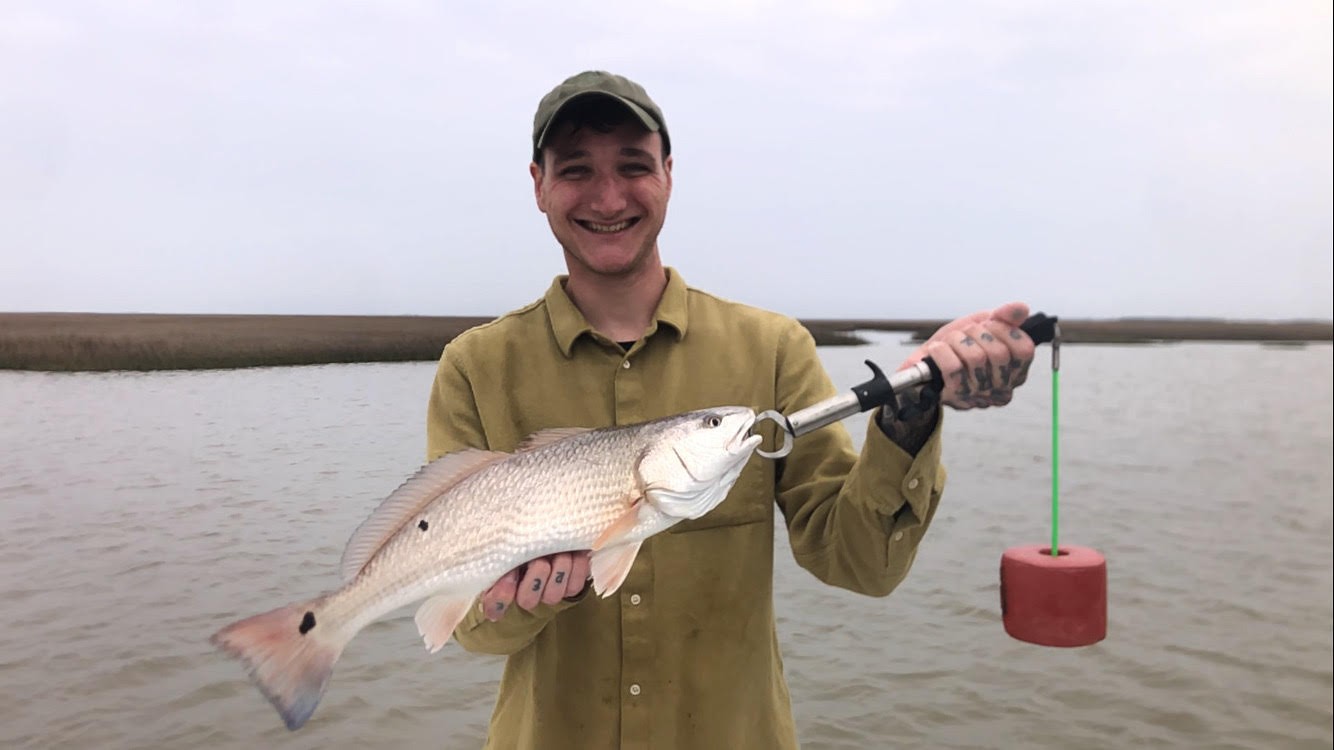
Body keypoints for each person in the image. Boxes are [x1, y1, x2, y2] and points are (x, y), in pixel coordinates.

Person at [426, 70, 1036, 750]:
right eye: (576, 171)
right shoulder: (473, 368)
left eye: (633, 166)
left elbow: (860, 563)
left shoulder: (772, 349)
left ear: (668, 174)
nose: (608, 196)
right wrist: (524, 598)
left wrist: (910, 412)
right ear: (538, 183)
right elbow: (473, 631)